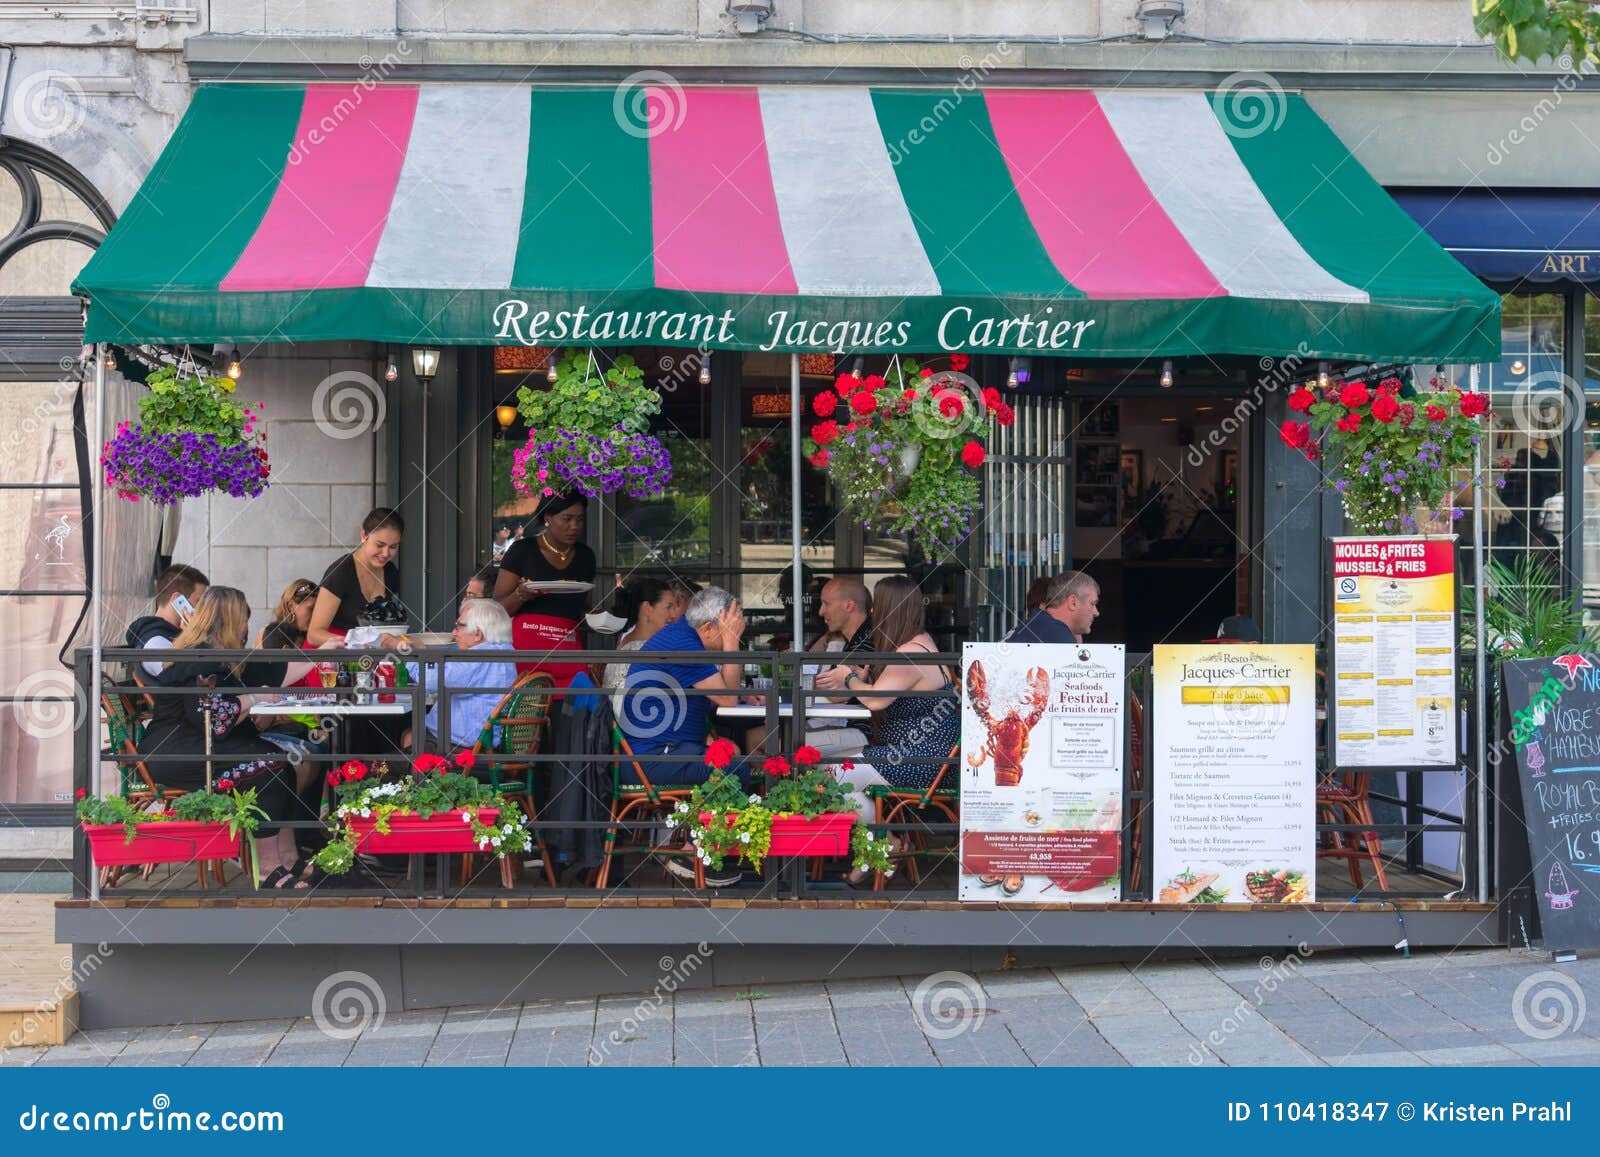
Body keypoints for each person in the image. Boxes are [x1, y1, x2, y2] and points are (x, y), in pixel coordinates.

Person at [136, 587, 318, 888]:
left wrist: (251, 699)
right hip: (176, 751)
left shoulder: (214, 654)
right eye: (244, 620)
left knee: (282, 766)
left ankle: (287, 858)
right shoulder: (199, 659)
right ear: (231, 622)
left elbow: (263, 681)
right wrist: (252, 699)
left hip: (198, 743)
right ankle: (267, 867)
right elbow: (215, 718)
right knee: (268, 769)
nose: (248, 628)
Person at [816, 575, 959, 880]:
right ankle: (883, 845)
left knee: (825, 771)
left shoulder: (909, 653)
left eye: (878, 606)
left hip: (917, 760)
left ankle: (885, 844)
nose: (873, 614)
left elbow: (876, 702)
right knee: (834, 771)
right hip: (918, 755)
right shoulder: (921, 643)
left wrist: (849, 679)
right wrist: (862, 679)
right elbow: (882, 691)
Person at [619, 585, 750, 785]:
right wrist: (731, 642)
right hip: (654, 759)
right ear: (707, 628)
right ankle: (717, 817)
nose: (736, 635)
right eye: (731, 629)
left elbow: (721, 697)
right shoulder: (685, 645)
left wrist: (745, 695)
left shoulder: (682, 633)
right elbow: (728, 699)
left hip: (667, 751)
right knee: (735, 770)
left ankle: (710, 816)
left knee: (734, 754)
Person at [494, 492, 596, 684]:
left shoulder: (586, 556)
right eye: (567, 519)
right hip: (526, 653)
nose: (574, 526)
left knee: (576, 708)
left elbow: (584, 608)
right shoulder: (522, 551)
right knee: (529, 712)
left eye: (580, 520)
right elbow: (497, 610)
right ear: (548, 517)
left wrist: (600, 620)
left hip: (568, 650)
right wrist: (520, 595)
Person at [402, 599, 520, 752]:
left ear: (477, 634)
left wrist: (404, 652)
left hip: (462, 747)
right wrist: (422, 651)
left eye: (459, 626)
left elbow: (429, 681)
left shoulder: (478, 657)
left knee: (380, 764)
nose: (454, 632)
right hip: (483, 741)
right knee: (409, 734)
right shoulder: (503, 649)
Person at [309, 507, 408, 647]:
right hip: (331, 661)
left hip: (366, 659)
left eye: (393, 547)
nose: (386, 553)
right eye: (380, 545)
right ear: (363, 535)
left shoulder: (391, 572)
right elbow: (314, 635)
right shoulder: (341, 572)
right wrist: (357, 642)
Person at [805, 576, 873, 757]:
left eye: (826, 604)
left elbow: (836, 694)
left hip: (866, 734)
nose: (820, 612)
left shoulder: (867, 641)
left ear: (849, 606)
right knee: (777, 738)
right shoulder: (857, 639)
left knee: (786, 743)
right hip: (848, 725)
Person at [600, 577, 683, 719]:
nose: (674, 615)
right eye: (668, 607)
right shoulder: (644, 650)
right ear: (647, 609)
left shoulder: (629, 641)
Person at [125, 563, 208, 678]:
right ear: (178, 600)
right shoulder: (155, 641)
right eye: (199, 602)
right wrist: (197, 637)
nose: (204, 610)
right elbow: (182, 678)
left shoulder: (174, 634)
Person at [1005, 571, 1100, 644]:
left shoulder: (1039, 624)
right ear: (1073, 602)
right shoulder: (1054, 632)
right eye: (1092, 604)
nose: (1096, 612)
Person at [257, 578, 317, 650]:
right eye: (311, 608)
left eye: (319, 610)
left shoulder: (315, 636)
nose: (316, 614)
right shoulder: (272, 634)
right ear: (291, 606)